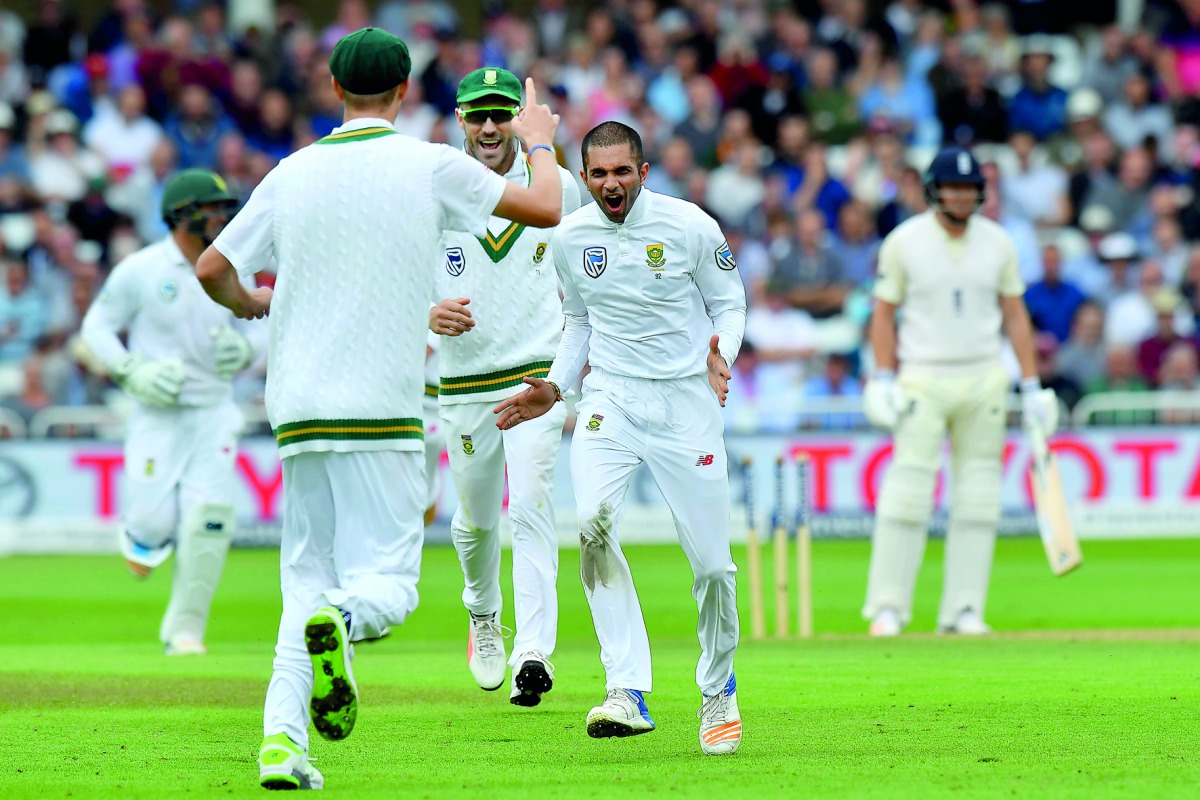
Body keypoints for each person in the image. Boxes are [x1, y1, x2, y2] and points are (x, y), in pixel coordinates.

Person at [194, 28, 564, 790]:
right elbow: (546, 209)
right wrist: (541, 143)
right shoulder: (428, 164)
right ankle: (346, 627)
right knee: (384, 590)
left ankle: (281, 745)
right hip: (382, 411)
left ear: (333, 87)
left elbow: (212, 268)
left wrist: (253, 302)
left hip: (296, 413)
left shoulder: (290, 173)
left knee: (306, 583)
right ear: (403, 92)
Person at [494, 121, 747, 755]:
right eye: (599, 173)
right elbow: (578, 322)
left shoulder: (690, 225)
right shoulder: (570, 237)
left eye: (622, 172)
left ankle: (718, 688)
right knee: (595, 531)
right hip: (611, 399)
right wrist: (556, 386)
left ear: (643, 173)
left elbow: (730, 302)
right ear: (584, 177)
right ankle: (625, 689)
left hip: (687, 401)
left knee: (713, 566)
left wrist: (725, 354)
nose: (611, 183)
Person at [429, 67, 581, 707]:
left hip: (535, 379)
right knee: (473, 523)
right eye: (476, 115)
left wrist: (578, 362)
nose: (489, 127)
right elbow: (393, 273)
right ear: (459, 119)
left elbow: (585, 275)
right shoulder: (434, 189)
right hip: (464, 380)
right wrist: (423, 315)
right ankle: (484, 614)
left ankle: (533, 653)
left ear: (521, 116)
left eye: (501, 114)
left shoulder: (560, 187)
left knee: (533, 507)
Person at [861, 146, 1055, 637]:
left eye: (970, 189)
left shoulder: (999, 242)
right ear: (933, 190)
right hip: (923, 375)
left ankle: (964, 610)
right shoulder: (904, 241)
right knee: (908, 492)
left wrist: (1032, 385)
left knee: (979, 496)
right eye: (953, 187)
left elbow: (1015, 315)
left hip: (985, 375)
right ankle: (889, 607)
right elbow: (883, 313)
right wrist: (883, 376)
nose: (962, 196)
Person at [79, 168, 257, 656]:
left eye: (225, 207)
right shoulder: (142, 269)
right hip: (157, 413)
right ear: (183, 215)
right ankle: (141, 534)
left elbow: (261, 325)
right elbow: (96, 326)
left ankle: (186, 632)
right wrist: (130, 369)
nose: (224, 216)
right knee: (152, 528)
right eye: (213, 208)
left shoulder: (232, 264)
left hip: (214, 411)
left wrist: (243, 353)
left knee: (210, 517)